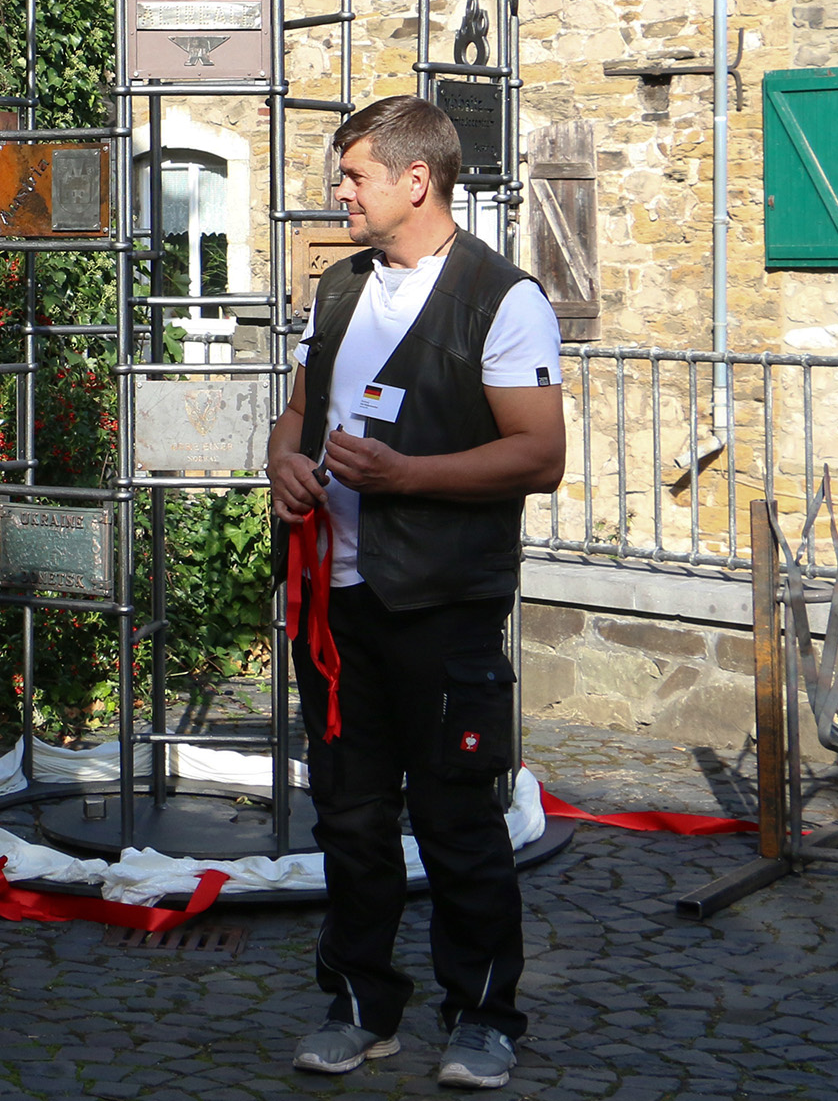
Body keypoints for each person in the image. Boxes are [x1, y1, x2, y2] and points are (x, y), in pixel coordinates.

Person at [265, 95, 567, 1092]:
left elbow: (540, 455)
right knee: (349, 819)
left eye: (353, 176)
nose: (338, 192)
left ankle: (483, 1017)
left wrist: (406, 476)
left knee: (455, 819)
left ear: (416, 180)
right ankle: (360, 1007)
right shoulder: (340, 286)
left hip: (443, 603)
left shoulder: (501, 298)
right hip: (337, 603)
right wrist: (282, 463)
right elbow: (299, 413)